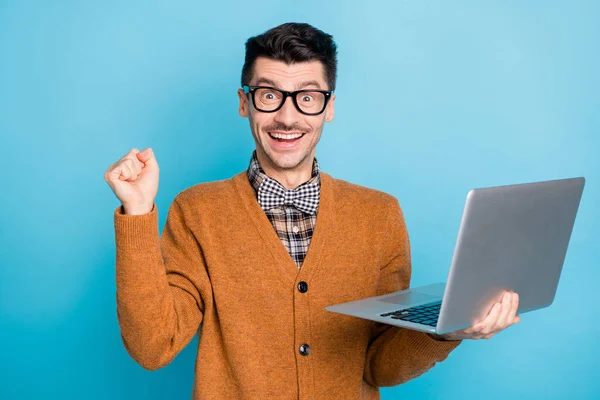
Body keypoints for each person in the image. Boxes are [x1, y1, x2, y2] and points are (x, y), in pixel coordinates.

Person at [104, 22, 520, 399]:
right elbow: (153, 346)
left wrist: (446, 332)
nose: (287, 117)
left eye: (307, 98)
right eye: (269, 95)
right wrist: (138, 213)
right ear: (244, 103)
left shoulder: (380, 215)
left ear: (329, 106)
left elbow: (379, 365)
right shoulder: (197, 211)